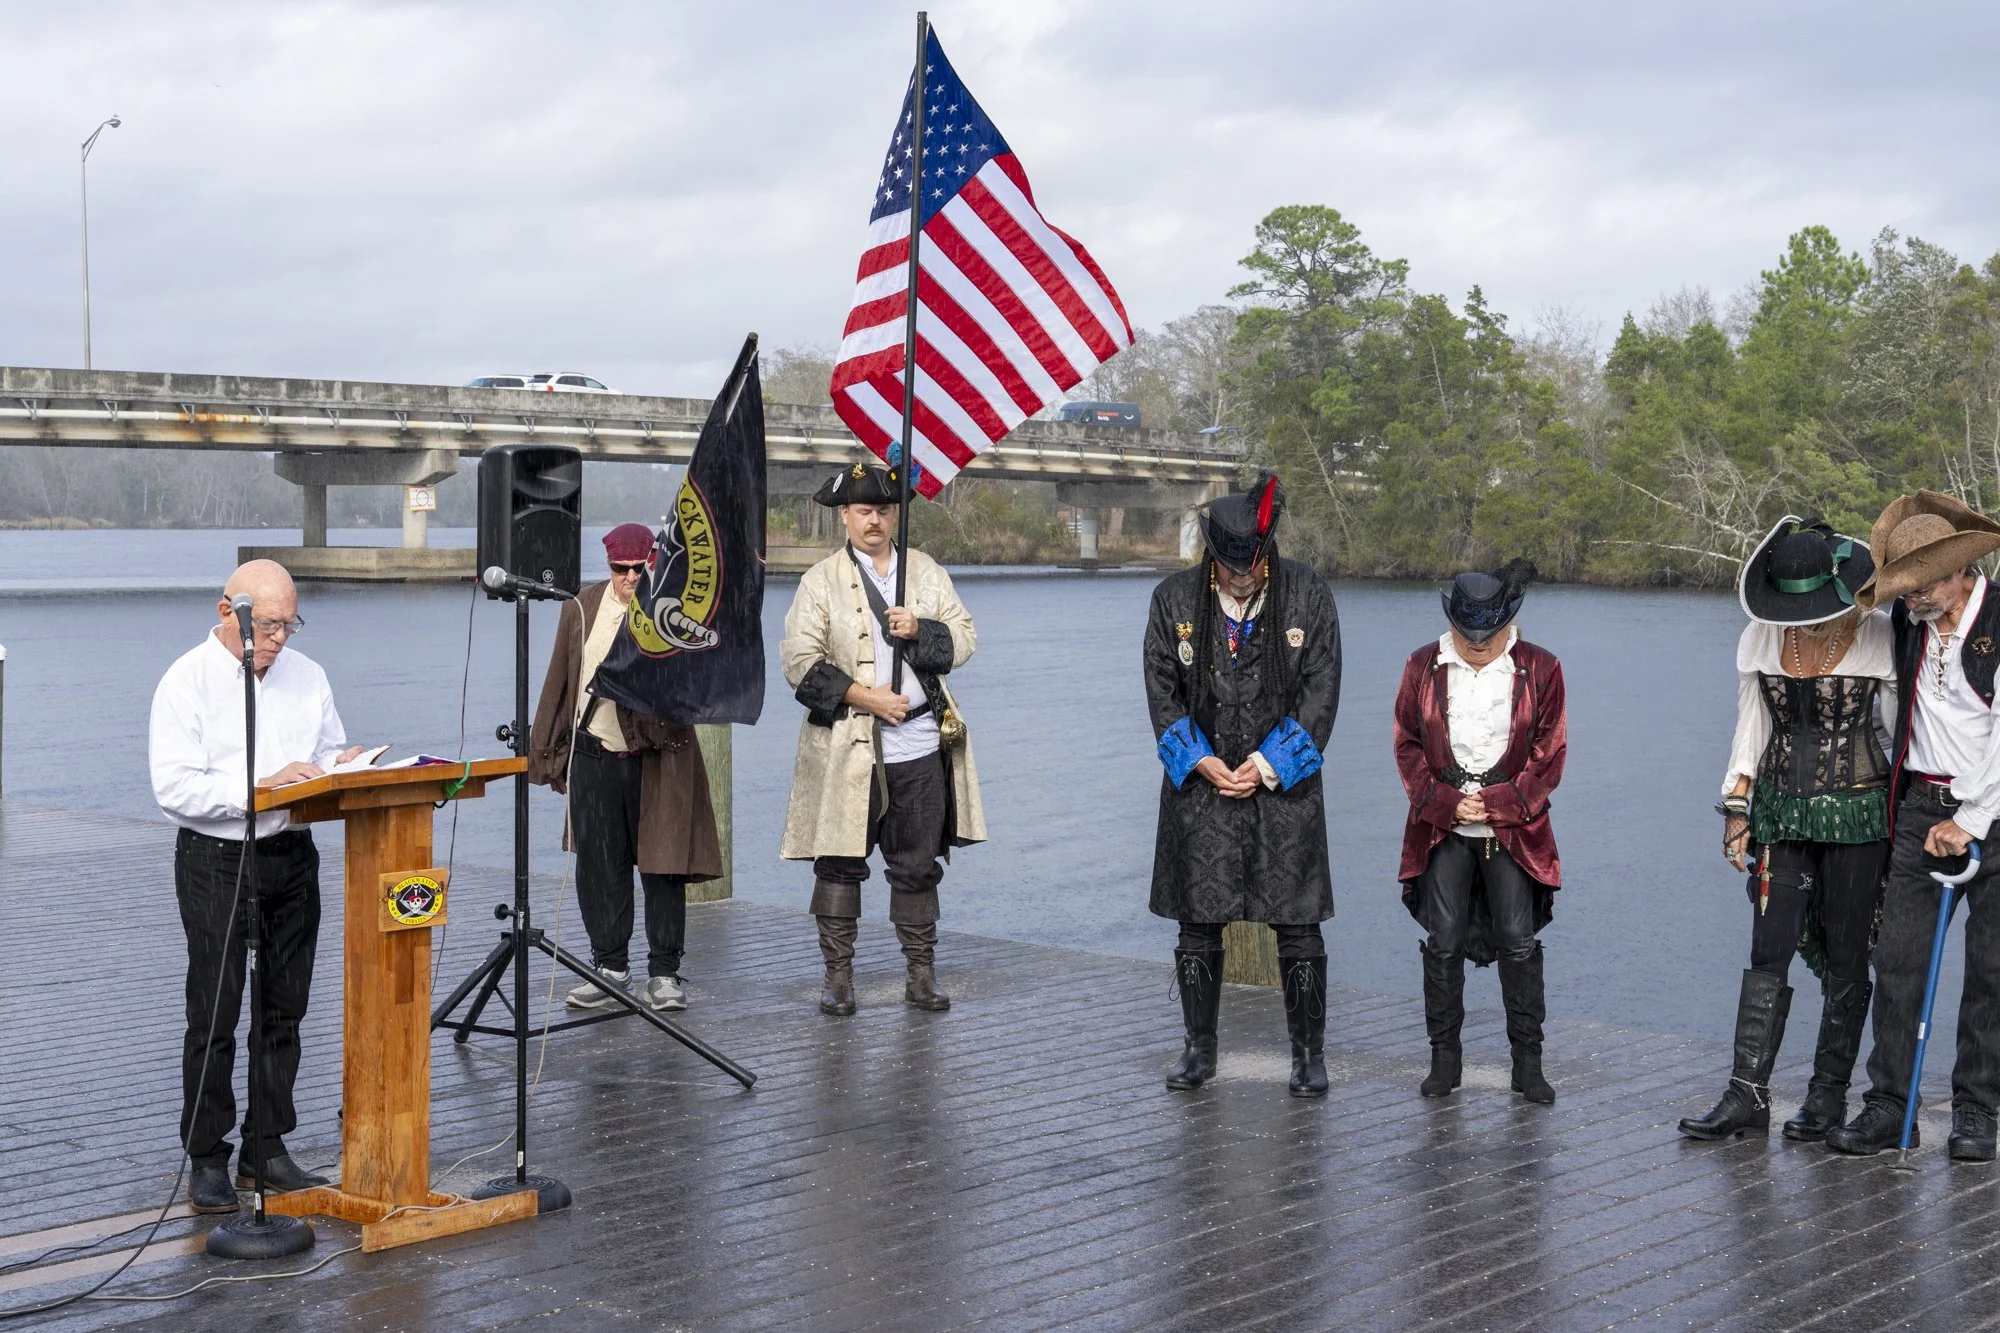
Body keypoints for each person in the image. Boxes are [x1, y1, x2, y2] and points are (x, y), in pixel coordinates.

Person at [149, 559, 367, 1213]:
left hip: (292, 854)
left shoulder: (309, 676)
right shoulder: (186, 680)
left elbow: (326, 751)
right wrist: (262, 785)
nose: (279, 639)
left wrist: (341, 764)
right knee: (215, 1012)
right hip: (217, 856)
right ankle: (208, 1156)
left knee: (284, 1008)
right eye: (268, 625)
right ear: (229, 613)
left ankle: (265, 1148)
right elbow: (174, 786)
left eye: (288, 624)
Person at [1679, 518, 1893, 1141]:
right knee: (1768, 949)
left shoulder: (1880, 637)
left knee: (1850, 954)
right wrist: (1736, 807)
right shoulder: (1760, 638)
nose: (1800, 623)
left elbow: (1895, 731)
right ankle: (1747, 1094)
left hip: (1858, 814)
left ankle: (1827, 1098)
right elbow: (1752, 725)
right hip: (1780, 810)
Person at [1145, 473, 1342, 1098]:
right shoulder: (1173, 600)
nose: (1238, 576)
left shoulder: (1308, 594)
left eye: (1249, 565)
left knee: (1299, 923)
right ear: (1212, 556)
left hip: (1285, 790)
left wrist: (1267, 764)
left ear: (1267, 550)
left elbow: (1321, 694)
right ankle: (1199, 1048)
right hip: (1201, 786)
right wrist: (1200, 760)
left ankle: (1308, 1055)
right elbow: (1161, 694)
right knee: (1197, 924)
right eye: (1228, 565)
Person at [1828, 491, 2000, 1159]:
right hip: (1922, 810)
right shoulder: (1906, 622)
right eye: (1903, 585)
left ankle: (1978, 1109)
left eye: (1923, 583)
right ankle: (1888, 1103)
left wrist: (1972, 818)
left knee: (1991, 969)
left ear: (1962, 571)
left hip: (1990, 812)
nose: (1913, 597)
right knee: (1897, 959)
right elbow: (1833, 625)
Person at [780, 462, 984, 1015]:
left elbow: (964, 638)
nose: (874, 520)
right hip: (849, 746)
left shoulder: (925, 571)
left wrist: (922, 630)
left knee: (917, 866)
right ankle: (838, 980)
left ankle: (920, 977)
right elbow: (798, 661)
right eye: (864, 511)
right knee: (840, 863)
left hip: (918, 744)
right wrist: (866, 697)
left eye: (884, 510)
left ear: (895, 514)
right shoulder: (818, 581)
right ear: (844, 516)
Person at [529, 523, 723, 1014]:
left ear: (654, 564)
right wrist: (547, 751)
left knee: (663, 867)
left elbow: (699, 679)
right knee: (599, 867)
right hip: (593, 754)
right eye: (622, 569)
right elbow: (560, 676)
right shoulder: (580, 607)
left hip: (660, 756)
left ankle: (664, 972)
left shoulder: (675, 609)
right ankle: (610, 966)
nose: (632, 577)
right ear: (609, 565)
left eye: (642, 568)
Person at [1393, 560, 1567, 1105]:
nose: (1475, 645)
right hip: (1442, 825)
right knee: (1442, 943)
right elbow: (1407, 745)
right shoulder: (1422, 665)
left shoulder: (1541, 668)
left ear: (1506, 625)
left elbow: (1550, 754)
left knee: (1518, 943)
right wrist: (1446, 802)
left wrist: (1496, 803)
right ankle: (1444, 1062)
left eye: (1486, 638)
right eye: (1467, 637)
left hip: (1513, 827)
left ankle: (1527, 1065)